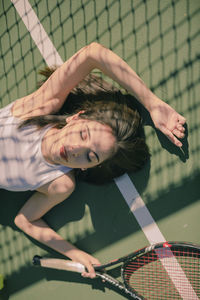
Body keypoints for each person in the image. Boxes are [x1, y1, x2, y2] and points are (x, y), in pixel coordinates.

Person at [0, 43, 186, 278]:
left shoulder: (59, 184)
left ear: (93, 166)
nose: (76, 149)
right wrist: (153, 104)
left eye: (90, 156)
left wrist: (75, 253)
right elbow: (93, 53)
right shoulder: (38, 107)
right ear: (76, 118)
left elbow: (25, 220)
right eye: (83, 134)